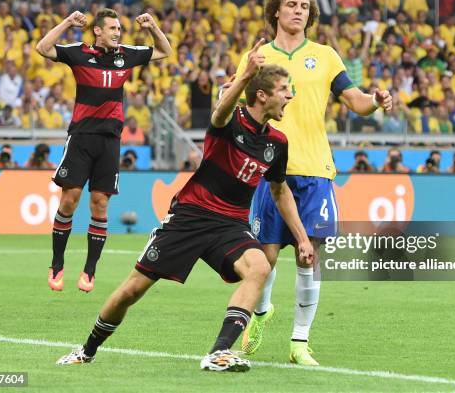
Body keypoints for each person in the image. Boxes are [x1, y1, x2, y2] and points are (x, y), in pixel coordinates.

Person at [55, 52, 312, 372]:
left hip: (230, 223)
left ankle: (219, 353)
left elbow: (279, 190)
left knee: (259, 266)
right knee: (133, 289)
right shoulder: (229, 122)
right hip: (191, 216)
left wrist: (302, 238)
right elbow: (219, 114)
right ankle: (86, 350)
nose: (290, 95)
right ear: (262, 95)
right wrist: (245, 76)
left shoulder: (278, 142)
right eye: (284, 89)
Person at [234, 0, 392, 365]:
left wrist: (375, 100)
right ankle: (261, 311)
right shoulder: (257, 56)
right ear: (276, 10)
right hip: (268, 170)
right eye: (291, 4)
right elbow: (234, 104)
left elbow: (353, 99)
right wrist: (244, 74)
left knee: (309, 257)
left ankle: (300, 343)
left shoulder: (325, 55)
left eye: (304, 6)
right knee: (264, 258)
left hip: (314, 168)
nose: (298, 10)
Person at [36, 8, 172, 293]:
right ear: (97, 31)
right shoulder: (79, 53)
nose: (117, 33)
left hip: (110, 141)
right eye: (112, 28)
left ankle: (89, 271)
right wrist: (68, 22)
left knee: (100, 204)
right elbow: (43, 48)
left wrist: (152, 26)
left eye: (119, 28)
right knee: (70, 200)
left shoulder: (127, 54)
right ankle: (57, 263)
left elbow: (165, 51)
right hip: (81, 138)